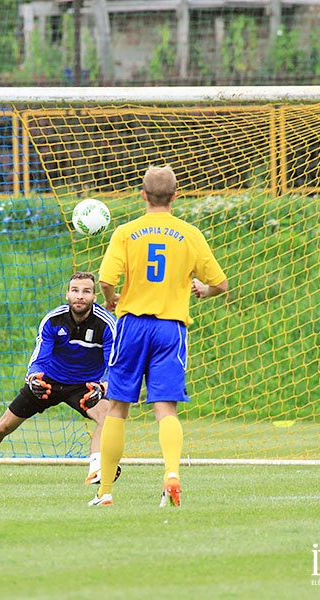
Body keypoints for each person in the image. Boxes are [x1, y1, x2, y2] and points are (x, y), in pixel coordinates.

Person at [90, 166, 228, 508]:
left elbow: (106, 280)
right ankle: (171, 474)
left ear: (142, 195)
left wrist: (110, 300)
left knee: (118, 408)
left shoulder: (126, 231)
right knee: (166, 408)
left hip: (132, 326)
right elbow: (221, 285)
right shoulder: (190, 233)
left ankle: (105, 491)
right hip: (170, 328)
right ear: (176, 195)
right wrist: (203, 290)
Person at [0, 271, 119, 486]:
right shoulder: (52, 320)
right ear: (67, 295)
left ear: (94, 297)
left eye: (86, 291)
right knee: (2, 427)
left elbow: (114, 364)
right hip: (49, 382)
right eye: (75, 290)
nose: (80, 296)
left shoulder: (107, 323)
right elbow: (39, 358)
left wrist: (103, 386)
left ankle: (96, 469)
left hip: (85, 386)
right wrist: (33, 377)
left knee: (108, 418)